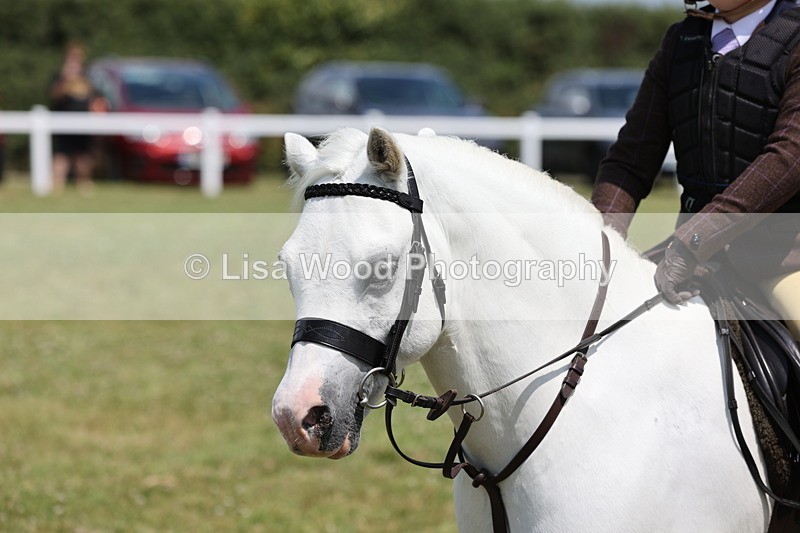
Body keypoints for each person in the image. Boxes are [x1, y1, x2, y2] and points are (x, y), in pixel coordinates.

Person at [591, 0, 800, 341]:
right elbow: (630, 159)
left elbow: (789, 158)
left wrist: (695, 240)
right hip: (683, 253)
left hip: (783, 260)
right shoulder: (680, 41)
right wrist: (601, 241)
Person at [49, 42, 95, 194]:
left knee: (82, 156)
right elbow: (55, 96)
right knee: (62, 155)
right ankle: (57, 186)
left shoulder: (88, 77)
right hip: (63, 121)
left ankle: (84, 185)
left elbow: (95, 98)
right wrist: (65, 79)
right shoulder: (60, 77)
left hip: (83, 122)